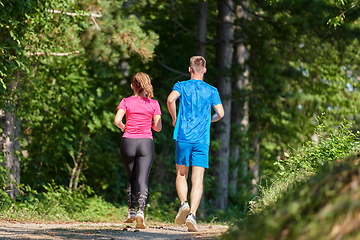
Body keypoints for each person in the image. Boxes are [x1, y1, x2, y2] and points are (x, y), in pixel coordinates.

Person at [166, 56, 224, 232]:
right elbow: (220, 113)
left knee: (181, 174)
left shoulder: (181, 86)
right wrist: (209, 120)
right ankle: (192, 214)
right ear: (204, 70)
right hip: (202, 139)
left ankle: (183, 203)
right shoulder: (212, 90)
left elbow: (170, 100)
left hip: (183, 136)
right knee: (198, 179)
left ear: (190, 69)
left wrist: (174, 118)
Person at [114, 72, 162, 229]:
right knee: (142, 178)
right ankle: (141, 212)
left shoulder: (126, 101)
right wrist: (150, 125)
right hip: (145, 143)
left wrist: (124, 127)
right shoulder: (154, 104)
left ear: (132, 86)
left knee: (131, 176)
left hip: (128, 141)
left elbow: (117, 120)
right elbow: (158, 127)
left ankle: (131, 211)